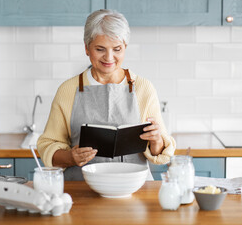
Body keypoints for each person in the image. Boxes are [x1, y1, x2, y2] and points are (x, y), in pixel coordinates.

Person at [37, 9, 176, 180]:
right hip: (82, 190)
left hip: (133, 189)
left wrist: (156, 141)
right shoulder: (68, 90)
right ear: (87, 48)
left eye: (117, 49)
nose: (109, 57)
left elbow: (161, 153)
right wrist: (70, 157)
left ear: (125, 47)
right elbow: (48, 145)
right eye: (100, 49)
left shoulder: (143, 88)